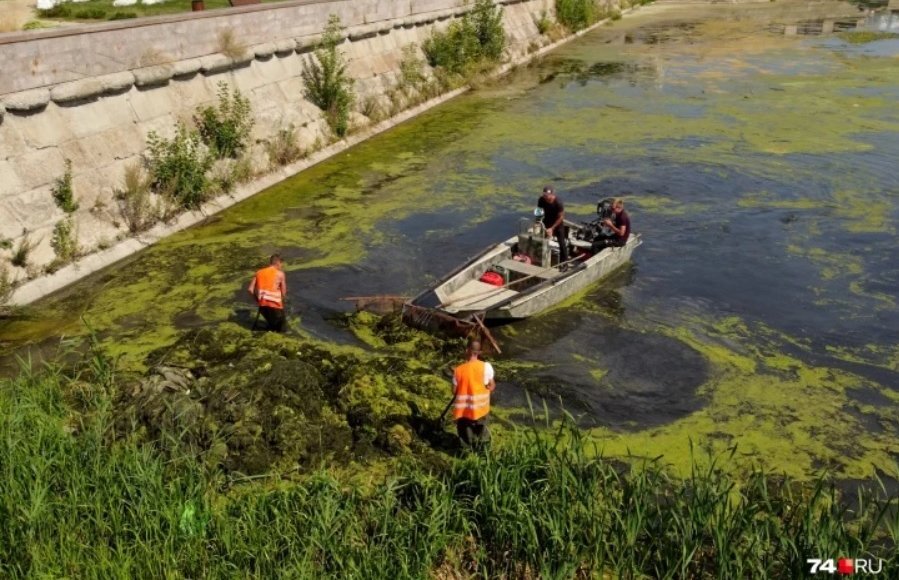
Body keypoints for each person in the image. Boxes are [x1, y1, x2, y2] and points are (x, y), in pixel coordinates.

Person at [452, 339, 496, 448]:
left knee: (465, 437)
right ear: (479, 352)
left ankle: (466, 454)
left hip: (464, 412)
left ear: (467, 350)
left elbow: (454, 391)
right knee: (483, 435)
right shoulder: (486, 367)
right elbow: (492, 386)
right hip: (481, 410)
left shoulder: (458, 370)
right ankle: (484, 455)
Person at [248, 254, 287, 332]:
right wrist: (282, 302)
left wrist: (257, 300)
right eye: (281, 264)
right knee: (282, 330)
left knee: (271, 325)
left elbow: (250, 289)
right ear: (278, 263)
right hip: (275, 305)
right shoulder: (280, 274)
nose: (281, 267)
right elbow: (284, 292)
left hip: (263, 305)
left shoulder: (259, 272)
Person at [538, 185, 570, 267]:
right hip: (546, 222)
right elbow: (539, 211)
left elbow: (561, 217)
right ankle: (540, 258)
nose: (546, 197)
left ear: (552, 194)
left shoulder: (558, 202)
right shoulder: (541, 200)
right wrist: (537, 221)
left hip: (557, 223)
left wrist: (552, 228)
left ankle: (564, 264)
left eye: (548, 196)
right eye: (544, 195)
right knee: (540, 239)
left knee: (562, 243)